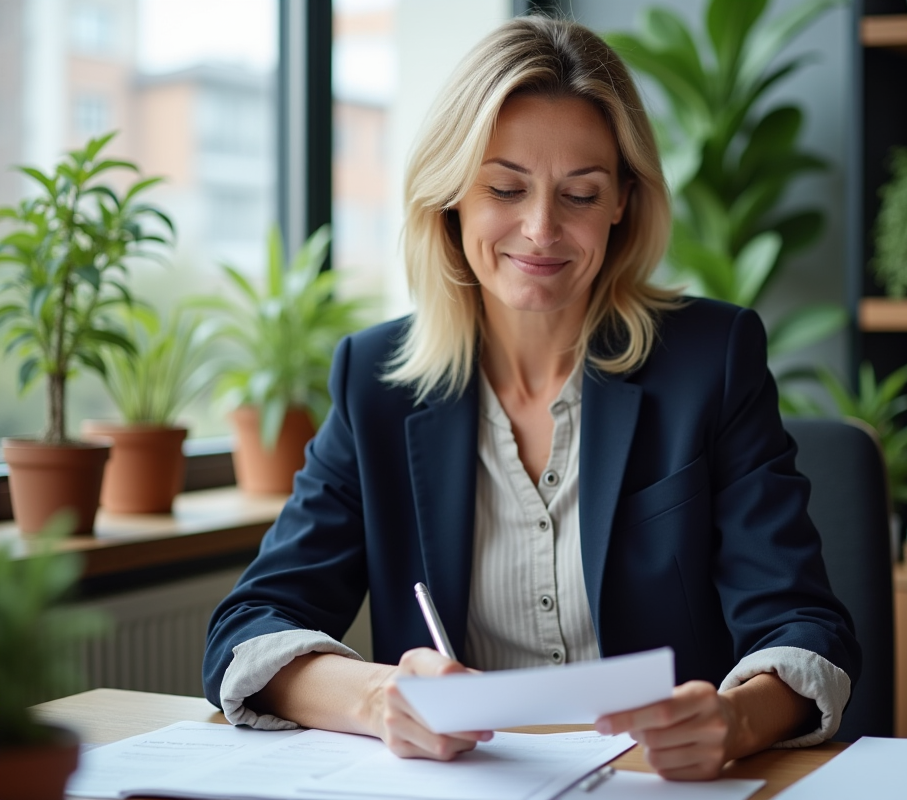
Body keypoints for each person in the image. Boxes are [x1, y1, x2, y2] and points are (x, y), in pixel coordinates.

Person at [203, 15, 860, 781]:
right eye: (505, 188)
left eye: (580, 194)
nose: (542, 230)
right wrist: (380, 697)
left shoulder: (710, 362)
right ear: (451, 197)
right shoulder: (376, 380)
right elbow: (247, 629)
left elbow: (806, 626)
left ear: (622, 205)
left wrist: (735, 719)